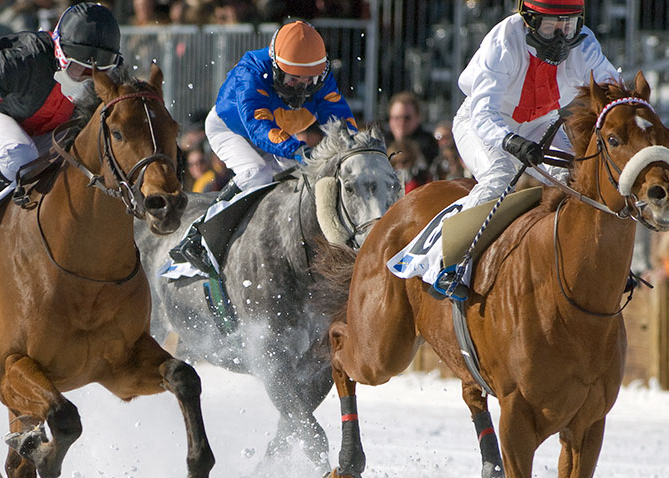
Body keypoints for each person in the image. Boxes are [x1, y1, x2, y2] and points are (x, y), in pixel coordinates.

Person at [402, 0, 622, 299]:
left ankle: (601, 263)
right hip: (484, 123)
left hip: (541, 123)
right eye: (551, 26)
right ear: (529, 20)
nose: (561, 37)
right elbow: (483, 114)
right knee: (501, 174)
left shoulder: (584, 46)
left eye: (568, 25)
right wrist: (511, 142)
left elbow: (615, 93)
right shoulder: (503, 40)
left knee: (579, 178)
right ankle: (446, 261)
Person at [0, 2, 122, 272]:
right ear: (61, 54)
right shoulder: (20, 57)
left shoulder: (110, 72)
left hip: (51, 133)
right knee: (20, 155)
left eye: (99, 72)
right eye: (82, 69)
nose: (90, 79)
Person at [171, 19, 357, 272]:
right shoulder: (251, 72)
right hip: (231, 129)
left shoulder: (321, 78)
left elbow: (338, 117)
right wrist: (297, 149)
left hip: (280, 135)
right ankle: (198, 238)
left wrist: (354, 147)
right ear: (276, 67)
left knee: (301, 180)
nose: (302, 87)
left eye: (309, 80)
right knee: (257, 173)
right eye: (294, 80)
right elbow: (259, 127)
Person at [386, 91, 438, 171]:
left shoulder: (428, 145)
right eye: (396, 118)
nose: (401, 123)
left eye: (407, 118)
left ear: (418, 118)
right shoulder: (382, 144)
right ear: (390, 119)